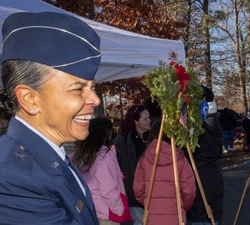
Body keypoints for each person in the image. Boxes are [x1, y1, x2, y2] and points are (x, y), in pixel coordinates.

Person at [0, 12, 101, 224]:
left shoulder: (47, 152)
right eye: (78, 89)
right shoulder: (12, 179)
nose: (95, 99)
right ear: (30, 99)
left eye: (92, 88)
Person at [133, 119, 196, 225]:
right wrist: (182, 205)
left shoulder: (144, 159)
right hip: (176, 217)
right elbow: (189, 190)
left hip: (152, 216)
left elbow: (138, 190)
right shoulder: (180, 159)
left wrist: (149, 202)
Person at [71, 117, 133, 225]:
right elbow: (108, 191)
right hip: (107, 215)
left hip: (90, 210)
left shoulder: (78, 156)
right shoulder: (103, 158)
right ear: (107, 133)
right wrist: (120, 211)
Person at [186, 86, 224, 225]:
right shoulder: (212, 120)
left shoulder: (202, 123)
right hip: (210, 178)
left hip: (201, 179)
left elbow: (196, 152)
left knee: (203, 216)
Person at [113, 104, 151, 225]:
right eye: (145, 119)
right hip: (132, 197)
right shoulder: (122, 141)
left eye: (149, 117)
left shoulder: (151, 139)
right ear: (135, 121)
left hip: (148, 196)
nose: (149, 121)